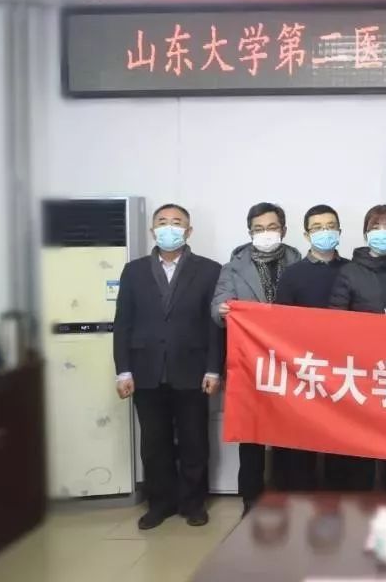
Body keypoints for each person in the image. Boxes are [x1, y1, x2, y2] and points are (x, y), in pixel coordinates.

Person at [113, 204, 222, 530]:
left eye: (177, 223)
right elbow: (123, 323)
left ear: (188, 231)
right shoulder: (133, 271)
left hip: (192, 369)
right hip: (145, 370)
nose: (169, 228)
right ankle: (159, 504)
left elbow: (214, 325)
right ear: (152, 230)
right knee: (154, 444)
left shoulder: (209, 270)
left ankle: (193, 503)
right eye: (162, 222)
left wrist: (213, 369)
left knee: (194, 441)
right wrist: (123, 370)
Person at [211, 202, 302, 515]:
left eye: (272, 227)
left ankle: (287, 495)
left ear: (284, 230)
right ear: (249, 232)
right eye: (258, 229)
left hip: (291, 364)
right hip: (251, 363)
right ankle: (251, 499)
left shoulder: (299, 262)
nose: (266, 233)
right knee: (251, 436)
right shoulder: (233, 267)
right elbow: (217, 309)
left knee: (290, 434)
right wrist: (224, 310)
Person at [329, 204, 386, 491]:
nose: (383, 233)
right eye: (375, 227)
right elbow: (335, 321)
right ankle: (360, 495)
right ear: (366, 234)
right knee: (360, 435)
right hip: (361, 368)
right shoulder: (349, 272)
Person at [271, 204, 349, 492]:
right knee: (303, 441)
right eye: (317, 228)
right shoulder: (292, 275)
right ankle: (301, 499)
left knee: (341, 439)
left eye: (330, 226)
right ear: (306, 235)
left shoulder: (353, 270)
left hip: (344, 370)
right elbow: (280, 324)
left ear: (339, 231)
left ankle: (338, 498)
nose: (324, 232)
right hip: (303, 370)